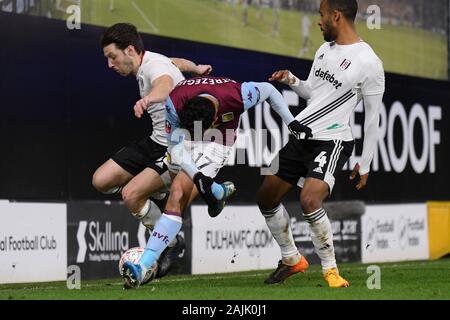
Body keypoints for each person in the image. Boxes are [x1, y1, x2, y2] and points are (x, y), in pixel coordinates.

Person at [122, 75, 313, 288]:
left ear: (213, 120)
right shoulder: (174, 103)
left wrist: (292, 122)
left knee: (177, 195)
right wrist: (198, 176)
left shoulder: (236, 95)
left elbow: (268, 90)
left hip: (218, 141)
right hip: (183, 139)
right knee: (178, 188)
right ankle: (217, 191)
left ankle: (144, 265)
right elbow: (175, 147)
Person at [257, 0, 385, 288]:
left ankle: (331, 271)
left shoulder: (369, 62)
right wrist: (291, 79)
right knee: (265, 197)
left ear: (336, 16)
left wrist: (365, 161)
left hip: (333, 141)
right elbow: (312, 94)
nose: (318, 21)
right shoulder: (324, 50)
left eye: (322, 15)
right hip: (302, 137)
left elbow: (374, 118)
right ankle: (292, 259)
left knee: (309, 199)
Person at [91, 23, 212, 280]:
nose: (109, 65)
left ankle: (169, 243)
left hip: (177, 146)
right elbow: (175, 63)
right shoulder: (153, 59)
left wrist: (147, 99)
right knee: (101, 180)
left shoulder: (153, 68)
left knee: (131, 195)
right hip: (156, 140)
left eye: (112, 57)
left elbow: (165, 84)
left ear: (130, 50)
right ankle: (158, 197)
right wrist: (197, 68)